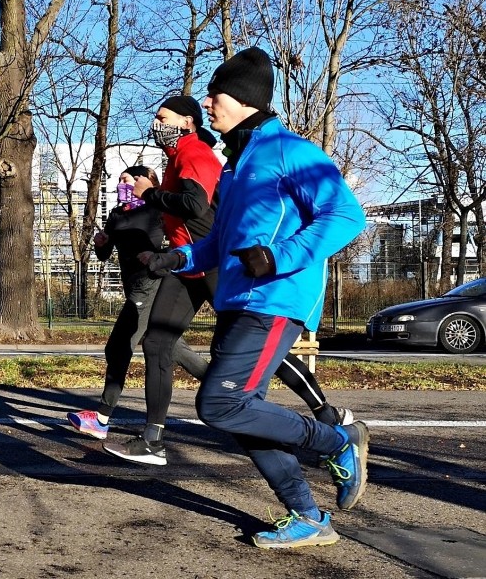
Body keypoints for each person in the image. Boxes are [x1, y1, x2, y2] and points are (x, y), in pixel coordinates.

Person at [147, 46, 368, 548]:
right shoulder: (236, 164)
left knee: (221, 404)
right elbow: (219, 243)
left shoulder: (292, 150)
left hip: (274, 298)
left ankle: (338, 441)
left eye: (215, 93)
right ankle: (308, 517)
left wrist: (277, 257)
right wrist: (175, 260)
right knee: (246, 419)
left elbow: (346, 216)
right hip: (237, 299)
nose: (208, 101)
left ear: (244, 99)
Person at [100, 95, 351, 466]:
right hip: (189, 264)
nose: (155, 125)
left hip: (221, 266)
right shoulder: (174, 161)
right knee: (156, 343)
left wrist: (150, 195)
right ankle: (153, 439)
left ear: (186, 123)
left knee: (255, 354)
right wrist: (167, 254)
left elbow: (195, 205)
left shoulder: (196, 154)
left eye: (161, 117)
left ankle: (325, 416)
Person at [66, 166, 210, 440]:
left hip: (153, 281)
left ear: (147, 182)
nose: (122, 184)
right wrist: (101, 243)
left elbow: (179, 240)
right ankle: (221, 385)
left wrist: (160, 254)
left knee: (120, 345)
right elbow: (105, 253)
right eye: (119, 180)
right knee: (170, 345)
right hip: (133, 285)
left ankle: (101, 418)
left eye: (127, 180)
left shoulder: (157, 209)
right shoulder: (118, 214)